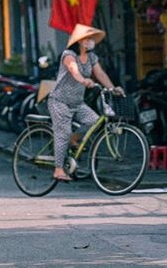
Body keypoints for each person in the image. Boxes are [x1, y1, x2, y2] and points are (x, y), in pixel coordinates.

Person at [47, 23, 123, 183]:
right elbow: (74, 69)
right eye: (88, 38)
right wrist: (83, 80)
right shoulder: (69, 55)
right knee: (63, 132)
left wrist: (112, 88)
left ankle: (74, 138)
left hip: (77, 102)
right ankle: (58, 169)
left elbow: (100, 74)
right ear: (80, 41)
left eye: (91, 39)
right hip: (59, 101)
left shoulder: (92, 58)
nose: (90, 41)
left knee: (94, 121)